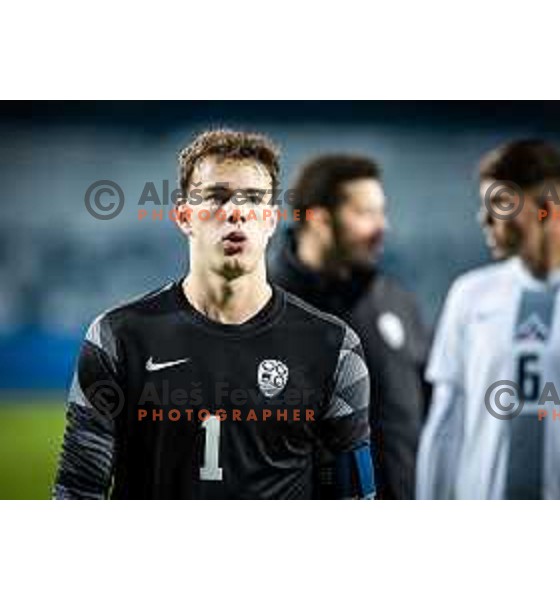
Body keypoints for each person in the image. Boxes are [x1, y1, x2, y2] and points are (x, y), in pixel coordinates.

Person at [53, 129, 375, 499]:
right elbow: (77, 492)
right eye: (216, 197)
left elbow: (354, 502)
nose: (236, 212)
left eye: (253, 199)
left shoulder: (333, 347)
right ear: (183, 216)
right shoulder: (117, 338)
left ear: (270, 220)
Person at [417, 139, 560, 499]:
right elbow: (445, 426)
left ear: (546, 210)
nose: (483, 218)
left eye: (499, 203)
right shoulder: (470, 296)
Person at [270, 154, 429, 499]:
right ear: (319, 219)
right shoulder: (262, 308)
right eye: (366, 214)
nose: (382, 227)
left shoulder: (396, 301)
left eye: (381, 212)